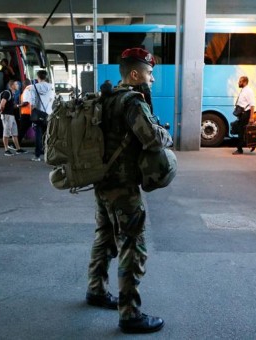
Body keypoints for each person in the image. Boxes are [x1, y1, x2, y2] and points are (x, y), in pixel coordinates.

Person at [86, 48, 172, 334]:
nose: (152, 79)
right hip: (122, 186)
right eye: (149, 73)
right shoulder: (132, 101)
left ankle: (96, 289)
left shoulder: (108, 96)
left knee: (106, 236)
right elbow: (151, 139)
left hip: (103, 181)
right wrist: (166, 133)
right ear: (135, 74)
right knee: (133, 245)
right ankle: (130, 313)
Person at [21, 70, 55, 162]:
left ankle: (37, 156)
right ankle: (48, 154)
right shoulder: (51, 87)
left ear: (38, 77)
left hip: (38, 114)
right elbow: (52, 100)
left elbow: (32, 101)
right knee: (48, 135)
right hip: (48, 113)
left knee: (38, 135)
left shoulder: (33, 87)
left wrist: (33, 110)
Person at [232, 76, 256, 155]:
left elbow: (252, 105)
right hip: (242, 114)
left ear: (245, 82)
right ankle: (252, 144)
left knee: (241, 131)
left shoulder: (249, 91)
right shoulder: (243, 90)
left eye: (240, 81)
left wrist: (251, 117)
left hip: (246, 114)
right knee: (242, 131)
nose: (238, 83)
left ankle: (240, 149)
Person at [0, 79, 21, 156]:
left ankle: (18, 149)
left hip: (11, 115)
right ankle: (6, 150)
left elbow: (11, 105)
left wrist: (19, 105)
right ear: (12, 86)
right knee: (6, 132)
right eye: (16, 84)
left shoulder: (12, 93)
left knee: (14, 133)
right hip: (7, 115)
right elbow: (2, 104)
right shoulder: (7, 93)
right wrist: (2, 111)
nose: (18, 85)